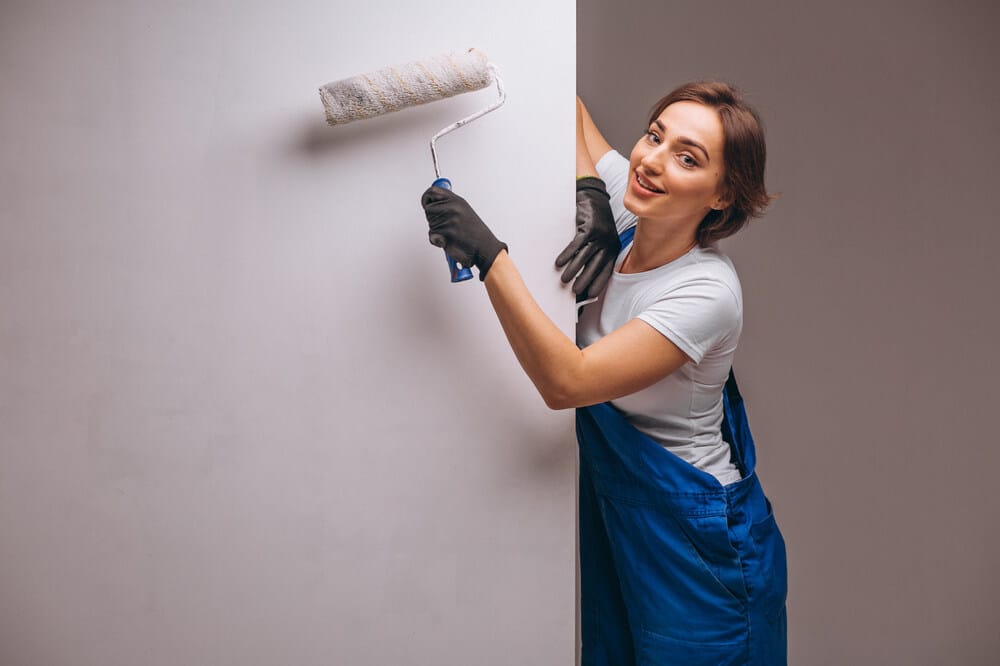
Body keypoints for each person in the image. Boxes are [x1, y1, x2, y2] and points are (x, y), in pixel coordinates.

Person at [421, 81, 787, 665]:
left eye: (687, 158)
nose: (652, 161)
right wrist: (590, 187)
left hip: (698, 542)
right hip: (624, 513)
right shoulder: (631, 196)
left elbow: (567, 382)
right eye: (654, 135)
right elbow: (562, 100)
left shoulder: (706, 292)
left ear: (721, 196)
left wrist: (490, 256)